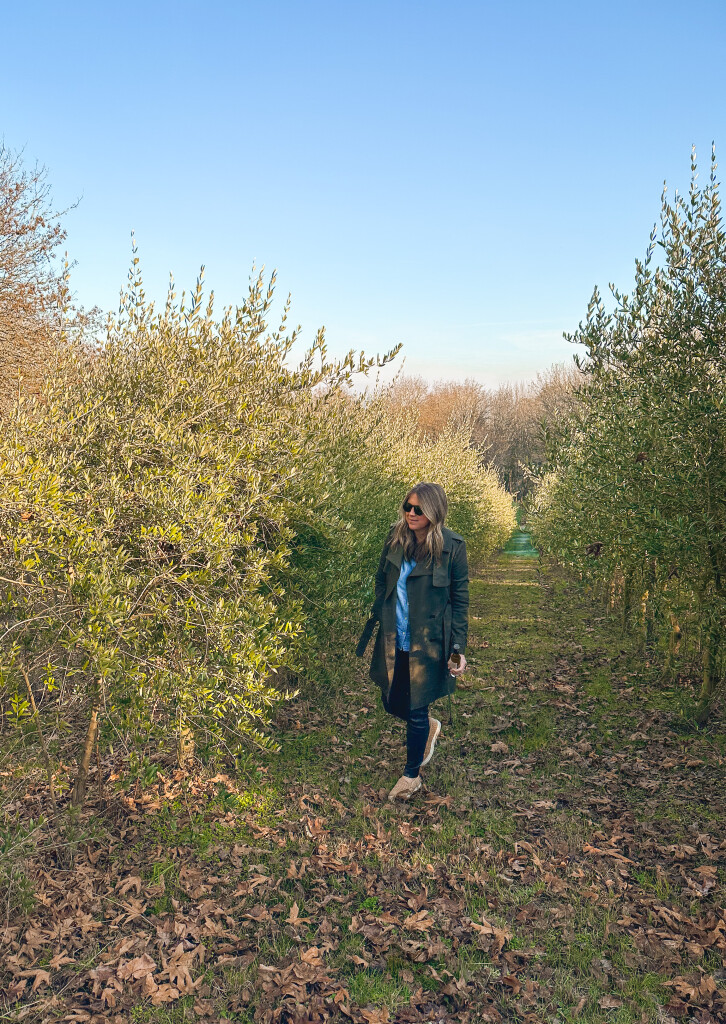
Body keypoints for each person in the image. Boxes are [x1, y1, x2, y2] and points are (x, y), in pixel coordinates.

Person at [358, 482, 469, 801]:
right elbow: (381, 579)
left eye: (418, 509)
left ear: (434, 511)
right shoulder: (395, 539)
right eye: (408, 506)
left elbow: (460, 600)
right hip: (394, 636)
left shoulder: (453, 546)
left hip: (429, 641)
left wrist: (457, 647)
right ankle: (428, 728)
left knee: (417, 707)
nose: (411, 513)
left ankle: (411, 777)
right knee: (391, 701)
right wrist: (382, 608)